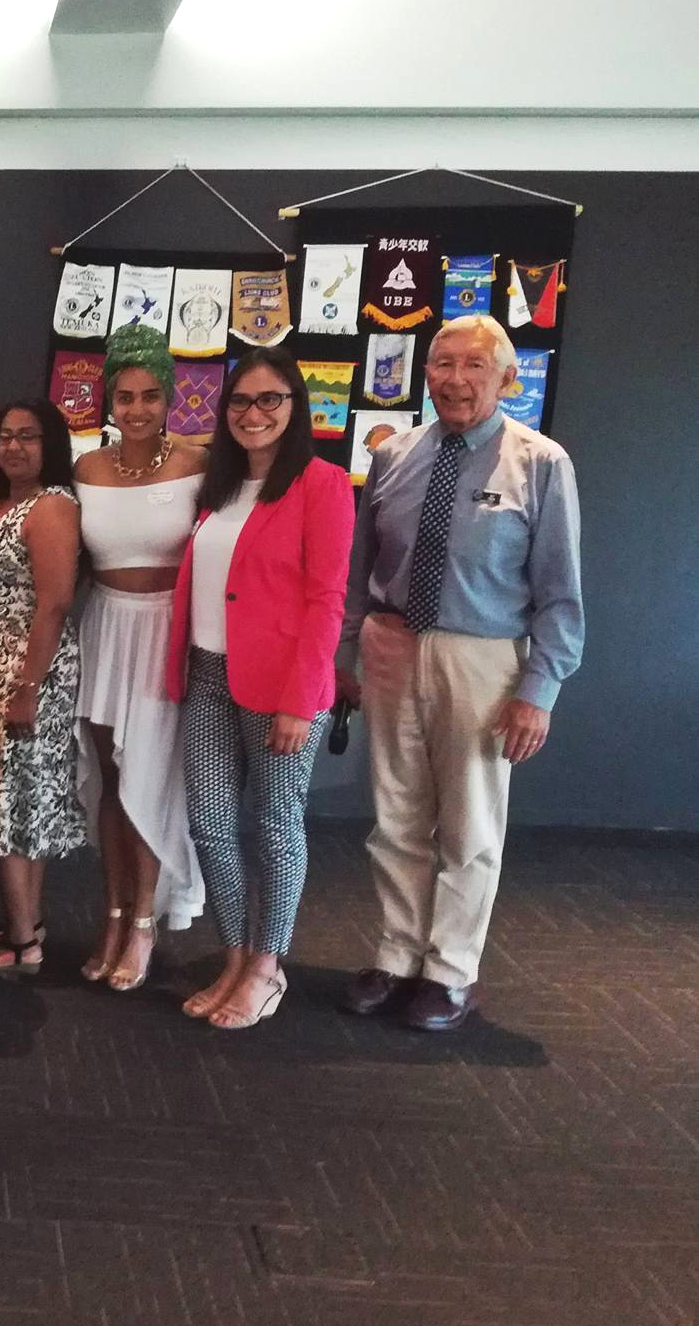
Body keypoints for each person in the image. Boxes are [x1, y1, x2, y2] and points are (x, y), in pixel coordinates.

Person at [337, 314, 584, 1031]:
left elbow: (561, 596)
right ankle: (398, 954)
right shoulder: (393, 454)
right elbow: (361, 574)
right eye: (442, 363)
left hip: (482, 657)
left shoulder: (540, 463)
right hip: (390, 646)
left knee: (470, 821)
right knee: (395, 815)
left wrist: (539, 691)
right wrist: (348, 654)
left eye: (474, 366)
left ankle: (450, 971)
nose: (454, 379)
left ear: (506, 377)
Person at [165, 347, 354, 1028]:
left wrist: (303, 699)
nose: (254, 413)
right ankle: (236, 953)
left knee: (274, 824)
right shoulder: (219, 486)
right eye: (241, 401)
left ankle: (269, 966)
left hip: (281, 687)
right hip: (208, 675)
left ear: (296, 407)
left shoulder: (322, 484)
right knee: (210, 824)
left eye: (271, 399)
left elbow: (328, 598)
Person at [71, 323, 208, 991]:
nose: (137, 409)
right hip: (103, 628)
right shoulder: (86, 468)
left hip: (163, 634)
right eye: (124, 396)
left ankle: (147, 924)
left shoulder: (197, 464)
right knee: (109, 782)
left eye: (151, 395)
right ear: (108, 399)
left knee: (150, 778)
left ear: (169, 396)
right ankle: (115, 914)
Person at [0, 399, 85, 974]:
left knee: (10, 804)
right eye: (5, 436)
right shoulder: (8, 504)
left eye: (28, 437)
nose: (13, 447)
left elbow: (55, 604)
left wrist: (28, 685)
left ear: (50, 444)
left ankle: (21, 941)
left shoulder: (52, 506)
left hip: (28, 671)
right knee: (22, 803)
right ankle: (26, 929)